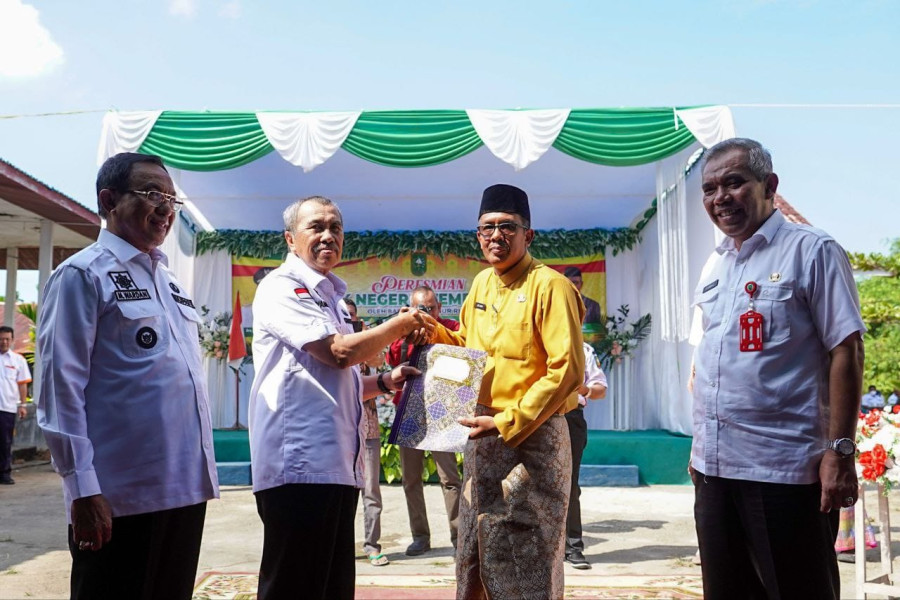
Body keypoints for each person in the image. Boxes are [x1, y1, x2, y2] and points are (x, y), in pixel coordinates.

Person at [36, 152, 220, 599]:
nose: (165, 207)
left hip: (183, 491)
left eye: (171, 198)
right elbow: (60, 390)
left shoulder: (169, 281)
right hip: (119, 498)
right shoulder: (82, 274)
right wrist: (82, 490)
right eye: (152, 193)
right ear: (108, 200)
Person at [689, 138, 865, 599]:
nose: (720, 198)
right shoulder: (716, 263)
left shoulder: (813, 251)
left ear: (769, 185)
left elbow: (846, 350)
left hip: (784, 472)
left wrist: (841, 452)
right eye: (709, 188)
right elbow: (712, 357)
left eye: (734, 183)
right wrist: (699, 451)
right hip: (715, 471)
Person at [248, 196, 432, 600]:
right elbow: (338, 354)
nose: (328, 235)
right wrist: (399, 325)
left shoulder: (331, 296)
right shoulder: (282, 288)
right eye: (316, 227)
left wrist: (387, 380)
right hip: (299, 468)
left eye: (336, 227)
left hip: (334, 468)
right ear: (290, 239)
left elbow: (340, 380)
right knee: (293, 587)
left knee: (330, 587)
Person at [431, 183, 586, 598]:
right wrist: (430, 331)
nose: (495, 237)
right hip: (482, 438)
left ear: (528, 234)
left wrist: (507, 420)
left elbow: (567, 369)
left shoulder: (550, 287)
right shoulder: (481, 283)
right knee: (475, 549)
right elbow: (467, 346)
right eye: (486, 228)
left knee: (526, 553)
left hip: (532, 441)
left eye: (506, 227)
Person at [385, 285, 462, 556]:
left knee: (449, 478)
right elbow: (393, 359)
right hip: (409, 411)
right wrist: (405, 331)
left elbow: (464, 350)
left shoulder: (451, 327)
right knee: (411, 479)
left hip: (442, 410)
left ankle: (458, 536)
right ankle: (420, 537)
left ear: (439, 308)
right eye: (420, 309)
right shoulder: (401, 329)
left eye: (430, 308)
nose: (425, 313)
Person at [346, 298, 389, 567]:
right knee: (341, 491)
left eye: (352, 316)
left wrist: (362, 336)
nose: (348, 320)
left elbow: (379, 359)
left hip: (369, 426)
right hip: (341, 427)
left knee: (371, 490)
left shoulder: (365, 340)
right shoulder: (331, 342)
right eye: (344, 317)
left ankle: (372, 546)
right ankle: (339, 545)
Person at [564, 341, 607, 569]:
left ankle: (573, 547)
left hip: (571, 417)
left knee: (569, 484)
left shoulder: (584, 350)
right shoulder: (535, 338)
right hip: (536, 417)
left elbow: (601, 389)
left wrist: (585, 390)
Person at [0, 326, 30, 485]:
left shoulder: (18, 360)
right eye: (1, 339)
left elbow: (22, 385)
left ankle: (4, 473)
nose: (4, 342)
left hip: (7, 408)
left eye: (7, 339)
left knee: (5, 442)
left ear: (12, 340)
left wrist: (23, 405)